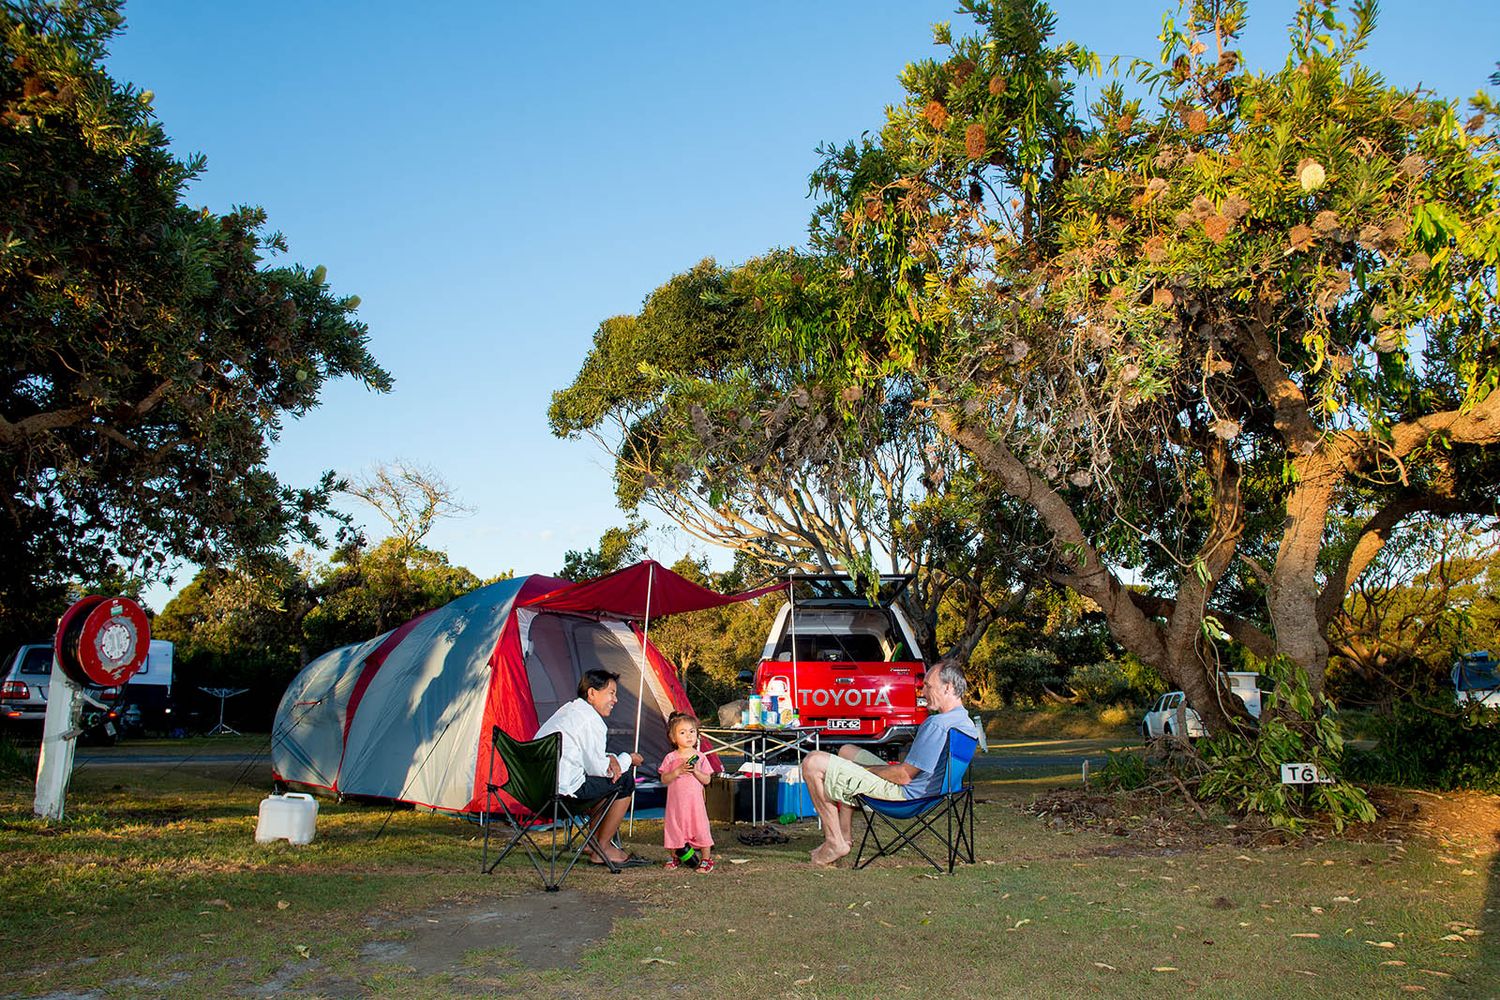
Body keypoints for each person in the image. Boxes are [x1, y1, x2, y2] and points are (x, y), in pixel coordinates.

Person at [799, 659, 979, 866]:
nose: (922, 692)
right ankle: (845, 836)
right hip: (931, 793)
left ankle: (834, 842)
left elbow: (903, 776)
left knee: (812, 762)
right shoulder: (964, 721)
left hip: (904, 797)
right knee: (846, 751)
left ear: (947, 688)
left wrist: (863, 771)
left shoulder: (938, 724)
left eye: (928, 686)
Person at [533, 668, 650, 868]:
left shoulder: (568, 712)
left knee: (605, 785)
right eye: (611, 693)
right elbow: (599, 769)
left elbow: (587, 757)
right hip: (563, 794)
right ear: (592, 693)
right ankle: (602, 847)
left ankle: (593, 842)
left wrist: (611, 757)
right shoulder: (591, 720)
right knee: (624, 780)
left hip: (537, 791)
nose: (616, 700)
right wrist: (628, 758)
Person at [660, 711, 716, 873]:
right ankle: (674, 856)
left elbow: (707, 780)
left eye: (692, 731)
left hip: (695, 804)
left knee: (700, 828)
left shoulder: (700, 757)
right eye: (683, 733)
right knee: (674, 829)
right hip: (675, 805)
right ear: (673, 737)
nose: (689, 736)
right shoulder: (670, 758)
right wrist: (677, 771)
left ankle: (706, 859)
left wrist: (696, 772)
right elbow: (664, 779)